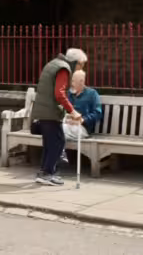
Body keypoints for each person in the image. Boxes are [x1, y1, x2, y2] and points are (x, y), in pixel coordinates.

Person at [30, 47, 87, 186]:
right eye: (81, 65)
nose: (79, 69)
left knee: (50, 143)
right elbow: (59, 94)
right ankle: (47, 173)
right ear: (76, 62)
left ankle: (45, 172)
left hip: (43, 111)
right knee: (58, 142)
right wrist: (73, 112)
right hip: (50, 112)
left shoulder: (53, 63)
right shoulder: (63, 68)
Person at [64, 69, 102, 141]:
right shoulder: (70, 94)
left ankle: (61, 151)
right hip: (68, 125)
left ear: (81, 82)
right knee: (56, 129)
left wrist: (83, 119)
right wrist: (67, 118)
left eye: (74, 81)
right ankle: (62, 151)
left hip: (83, 128)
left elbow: (98, 113)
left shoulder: (92, 94)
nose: (72, 84)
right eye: (72, 80)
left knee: (60, 131)